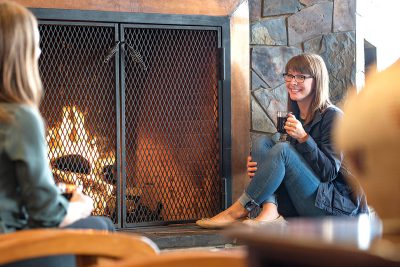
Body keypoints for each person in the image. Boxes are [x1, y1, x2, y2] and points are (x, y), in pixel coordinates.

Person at [196, 53, 368, 229]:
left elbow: (329, 172)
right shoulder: (295, 118)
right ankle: (271, 210)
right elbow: (289, 166)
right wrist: (262, 165)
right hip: (301, 201)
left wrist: (304, 138)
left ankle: (237, 211)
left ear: (317, 81)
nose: (292, 82)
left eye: (301, 77)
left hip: (334, 208)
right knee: (263, 143)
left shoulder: (333, 117)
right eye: (289, 75)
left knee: (282, 150)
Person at [0, 1, 113, 266]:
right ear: (21, 53)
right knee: (102, 225)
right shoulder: (18, 118)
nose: (39, 51)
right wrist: (82, 205)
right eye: (35, 44)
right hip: (10, 250)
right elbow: (47, 216)